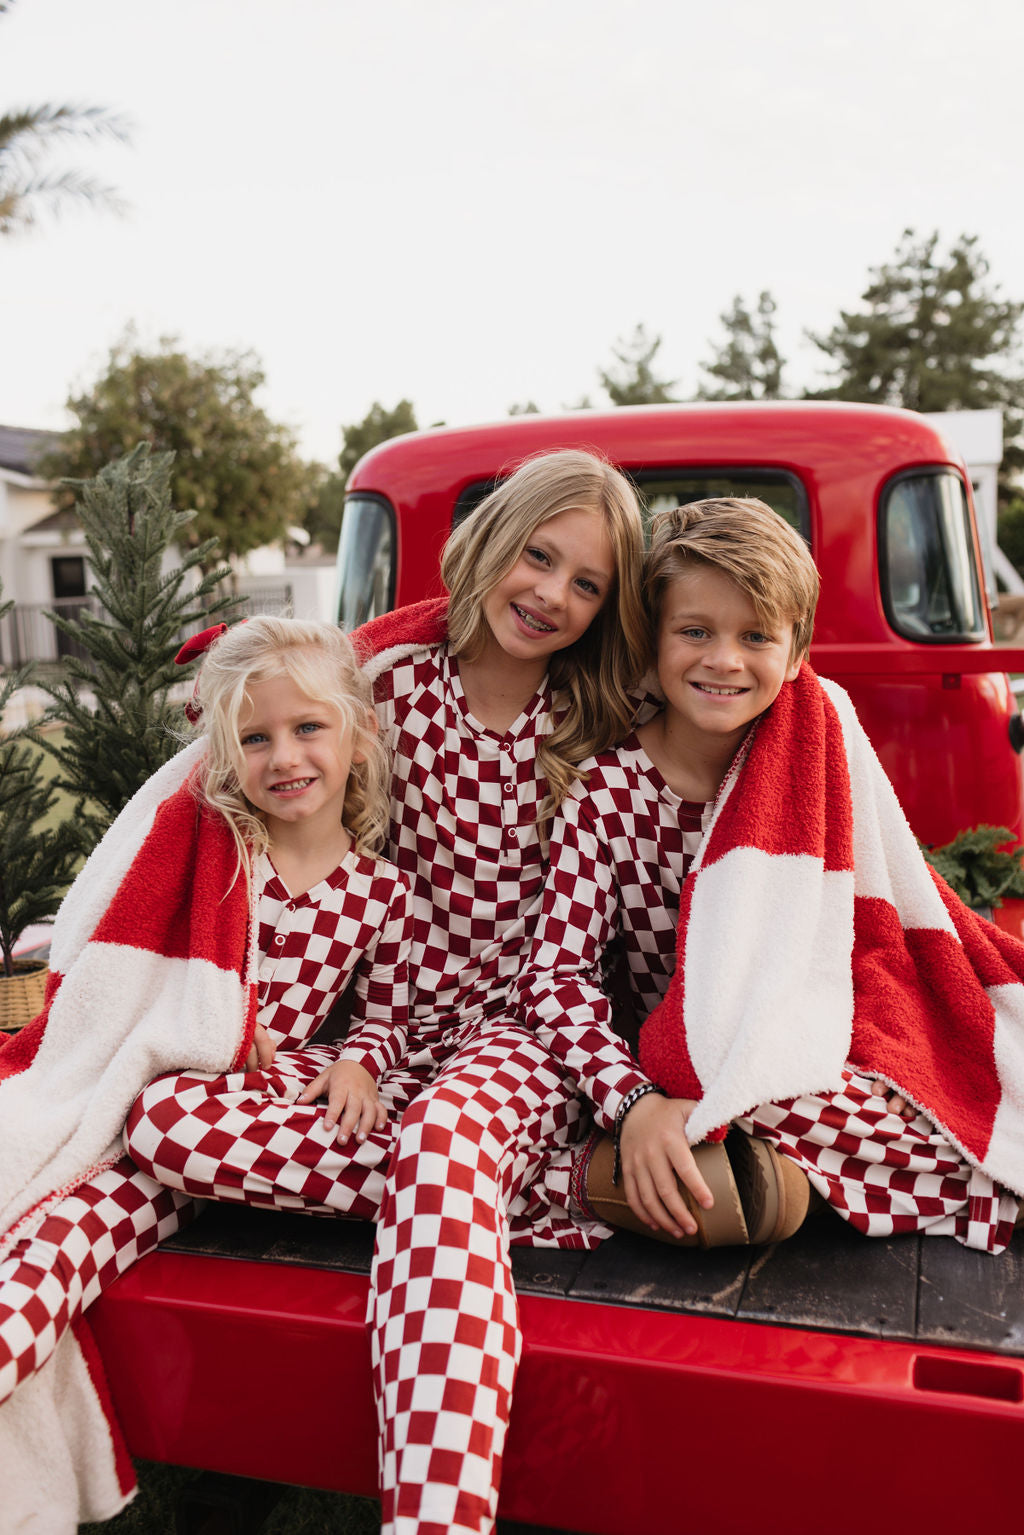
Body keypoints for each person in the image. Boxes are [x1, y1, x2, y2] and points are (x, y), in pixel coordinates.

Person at [122, 448, 648, 1535]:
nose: (552, 592)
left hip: (519, 1034)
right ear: (492, 542)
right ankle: (544, 1186)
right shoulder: (388, 687)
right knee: (166, 1118)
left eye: (586, 582)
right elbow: (262, 752)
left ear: (605, 606)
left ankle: (434, 1514)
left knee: (445, 1142)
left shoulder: (594, 724)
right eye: (538, 556)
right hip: (382, 1032)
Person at [515, 497, 1024, 1258]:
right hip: (670, 1060)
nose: (723, 659)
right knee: (758, 1110)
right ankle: (663, 1177)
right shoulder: (610, 791)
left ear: (794, 654)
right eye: (695, 631)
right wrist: (634, 1102)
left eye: (755, 636)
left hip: (799, 1040)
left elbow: (883, 920)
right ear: (652, 641)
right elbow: (556, 975)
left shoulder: (818, 742)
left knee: (920, 1093)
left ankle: (796, 1184)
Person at [0, 616, 413, 1527]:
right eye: (255, 738)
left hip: (250, 1113)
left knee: (139, 1170)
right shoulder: (224, 849)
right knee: (54, 1238)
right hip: (168, 1089)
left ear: (356, 734)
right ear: (225, 756)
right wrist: (224, 1022)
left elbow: (386, 1012)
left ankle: (444, 1187)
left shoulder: (381, 889)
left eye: (308, 728)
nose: (285, 756)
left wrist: (358, 1062)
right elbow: (156, 967)